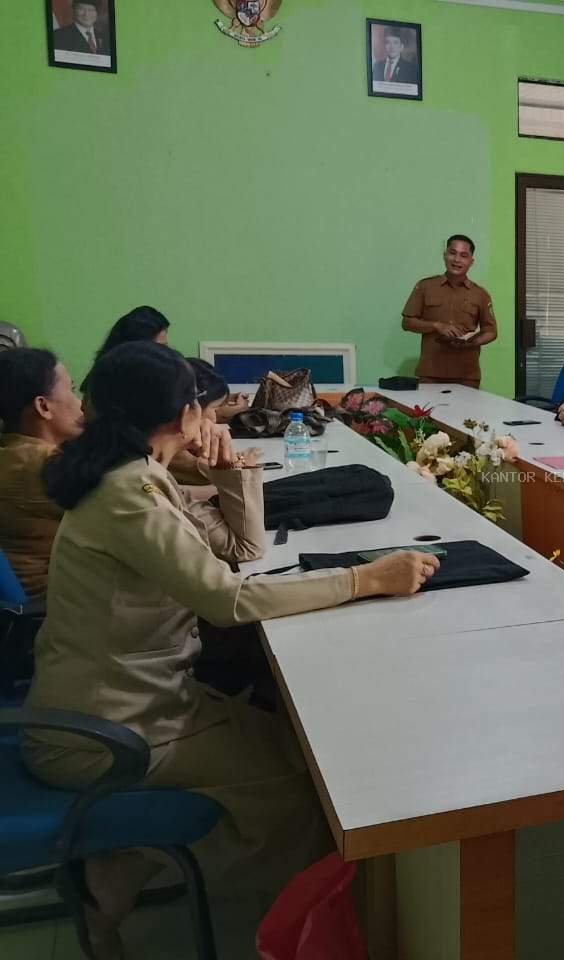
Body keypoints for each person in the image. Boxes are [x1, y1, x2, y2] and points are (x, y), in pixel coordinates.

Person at [22, 342, 440, 954]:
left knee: (300, 751)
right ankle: (281, 926)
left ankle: (126, 870)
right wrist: (365, 579)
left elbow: (243, 552)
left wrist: (229, 469)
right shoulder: (129, 493)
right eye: (201, 403)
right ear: (182, 416)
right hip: (111, 729)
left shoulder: (139, 475)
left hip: (143, 703)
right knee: (311, 793)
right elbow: (229, 599)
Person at [0, 348, 84, 598]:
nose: (81, 403)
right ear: (43, 406)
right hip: (54, 603)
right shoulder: (43, 463)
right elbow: (131, 495)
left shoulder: (11, 452)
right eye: (72, 390)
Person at [400, 235, 498, 389]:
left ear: (471, 262)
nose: (457, 260)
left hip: (467, 375)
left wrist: (471, 342)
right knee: (428, 407)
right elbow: (407, 322)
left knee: (467, 407)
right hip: (430, 373)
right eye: (452, 253)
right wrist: (436, 326)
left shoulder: (480, 294)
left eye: (463, 255)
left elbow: (491, 331)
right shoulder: (425, 286)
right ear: (444, 255)